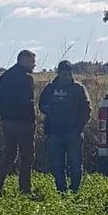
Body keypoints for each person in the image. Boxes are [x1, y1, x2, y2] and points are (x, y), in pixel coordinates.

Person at [39, 60, 91, 194]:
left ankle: (75, 190)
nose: (66, 77)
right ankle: (61, 190)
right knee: (57, 164)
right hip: (54, 132)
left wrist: (80, 126)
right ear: (58, 73)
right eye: (64, 74)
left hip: (73, 132)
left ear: (71, 74)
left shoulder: (79, 88)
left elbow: (87, 108)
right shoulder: (50, 88)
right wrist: (49, 110)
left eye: (68, 74)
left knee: (75, 163)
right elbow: (41, 104)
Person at [0, 50, 36, 197]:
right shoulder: (27, 78)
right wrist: (31, 120)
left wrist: (4, 116)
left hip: (7, 122)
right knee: (27, 156)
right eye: (32, 61)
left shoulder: (5, 76)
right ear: (23, 60)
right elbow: (28, 102)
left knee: (9, 155)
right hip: (24, 122)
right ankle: (25, 189)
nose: (34, 65)